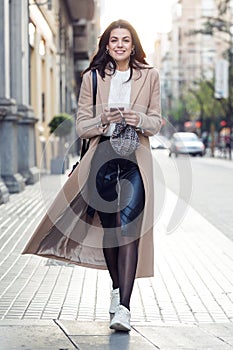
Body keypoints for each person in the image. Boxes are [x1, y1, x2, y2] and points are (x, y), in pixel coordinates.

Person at [22, 19, 161, 332]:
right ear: (107, 45)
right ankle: (116, 291)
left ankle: (124, 308)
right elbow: (82, 126)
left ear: (134, 44)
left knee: (128, 229)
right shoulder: (93, 77)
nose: (121, 45)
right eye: (115, 40)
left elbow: (155, 122)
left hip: (134, 161)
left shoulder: (149, 75)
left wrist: (136, 117)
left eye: (126, 40)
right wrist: (104, 119)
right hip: (101, 160)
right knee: (112, 230)